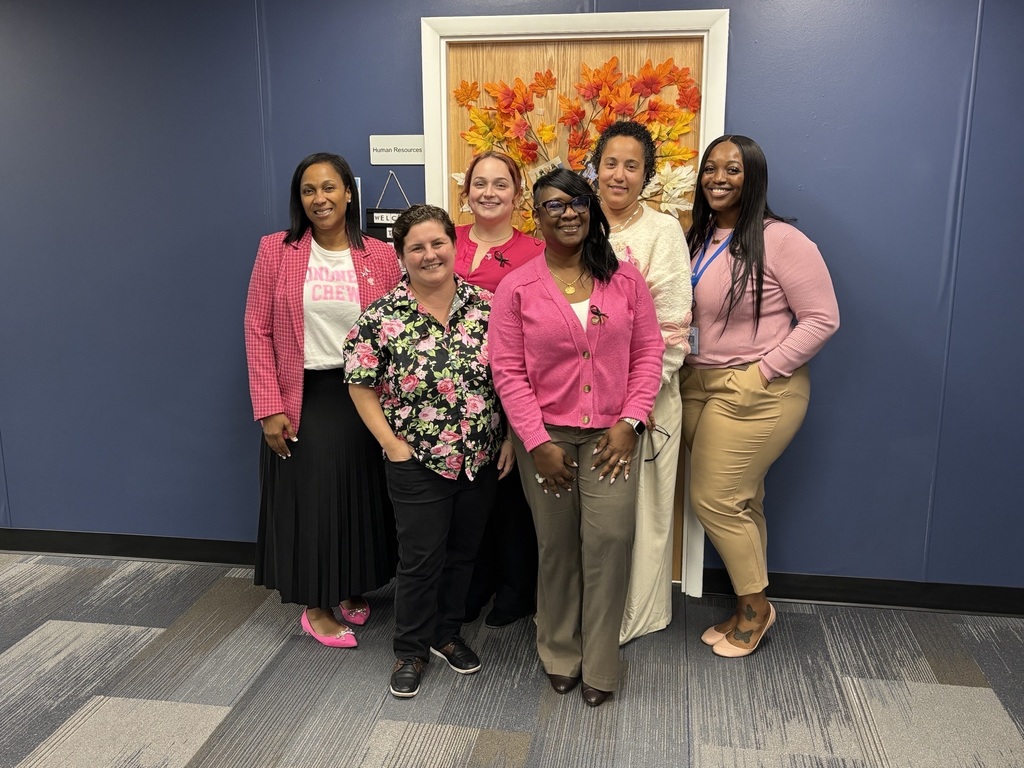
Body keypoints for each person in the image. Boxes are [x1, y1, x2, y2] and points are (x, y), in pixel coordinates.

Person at [489, 169, 664, 707]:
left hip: (613, 436)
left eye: (577, 202)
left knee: (610, 542)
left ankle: (602, 661)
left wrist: (632, 421)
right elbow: (507, 370)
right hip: (545, 439)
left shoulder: (626, 280)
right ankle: (559, 650)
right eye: (553, 205)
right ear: (535, 217)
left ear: (591, 210)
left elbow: (649, 353)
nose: (568, 212)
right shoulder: (516, 286)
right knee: (557, 546)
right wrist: (535, 442)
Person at [345, 204, 516, 699]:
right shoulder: (381, 317)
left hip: (479, 457)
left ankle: (446, 633)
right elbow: (360, 384)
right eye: (416, 247)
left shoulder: (489, 306)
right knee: (421, 560)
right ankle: (411, 649)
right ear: (402, 255)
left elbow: (509, 377)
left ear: (454, 245)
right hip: (416, 459)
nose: (429, 254)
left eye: (437, 243)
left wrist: (506, 436)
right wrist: (391, 444)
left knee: (463, 554)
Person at [682, 135, 840, 657]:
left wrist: (762, 371)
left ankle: (756, 610)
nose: (718, 178)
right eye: (710, 168)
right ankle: (749, 604)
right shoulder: (698, 237)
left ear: (754, 178)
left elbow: (822, 319)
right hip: (699, 382)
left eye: (733, 169)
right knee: (743, 500)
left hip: (758, 387)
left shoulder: (782, 240)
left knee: (716, 499)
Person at [244, 152, 401, 649]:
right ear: (300, 199)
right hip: (304, 392)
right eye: (309, 190)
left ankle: (350, 585)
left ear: (349, 193)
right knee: (313, 503)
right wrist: (269, 407)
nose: (320, 199)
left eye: (329, 188)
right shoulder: (277, 249)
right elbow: (257, 329)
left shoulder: (380, 255)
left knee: (360, 494)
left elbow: (397, 327)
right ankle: (316, 605)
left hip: (362, 393)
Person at [590, 120, 693, 644]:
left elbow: (673, 327)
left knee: (643, 509)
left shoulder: (662, 232)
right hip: (584, 403)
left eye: (632, 165)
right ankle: (586, 611)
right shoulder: (576, 221)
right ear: (596, 166)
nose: (619, 175)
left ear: (647, 175)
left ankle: (636, 614)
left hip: (646, 400)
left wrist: (636, 404)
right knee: (592, 515)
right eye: (611, 163)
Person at [455, 151, 545, 628]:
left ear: (517, 194)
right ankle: (474, 585)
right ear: (466, 191)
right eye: (479, 183)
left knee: (510, 497)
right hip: (449, 398)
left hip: (509, 388)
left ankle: (515, 590)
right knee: (466, 500)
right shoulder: (443, 241)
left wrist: (513, 429)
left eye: (500, 184)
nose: (488, 193)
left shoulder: (535, 251)